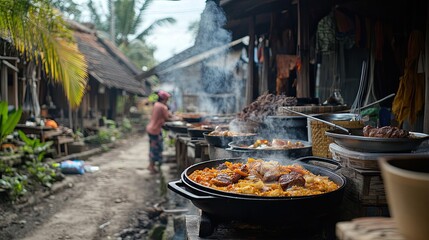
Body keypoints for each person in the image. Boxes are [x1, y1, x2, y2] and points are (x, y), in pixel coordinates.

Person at [145, 90, 173, 174]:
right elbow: (167, 118)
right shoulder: (162, 107)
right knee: (156, 148)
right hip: (155, 130)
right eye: (167, 99)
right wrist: (179, 118)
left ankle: (151, 165)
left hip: (151, 128)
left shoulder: (156, 104)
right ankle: (152, 167)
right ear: (164, 99)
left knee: (152, 148)